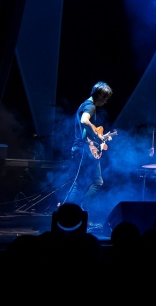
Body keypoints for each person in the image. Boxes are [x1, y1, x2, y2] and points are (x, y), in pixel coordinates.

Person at [65, 81, 114, 225]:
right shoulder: (90, 106)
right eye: (105, 97)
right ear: (99, 95)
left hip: (81, 149)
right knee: (97, 182)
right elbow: (84, 121)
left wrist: (101, 138)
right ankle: (81, 212)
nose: (106, 101)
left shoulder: (85, 104)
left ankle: (70, 215)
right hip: (84, 150)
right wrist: (98, 135)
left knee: (79, 184)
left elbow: (87, 130)